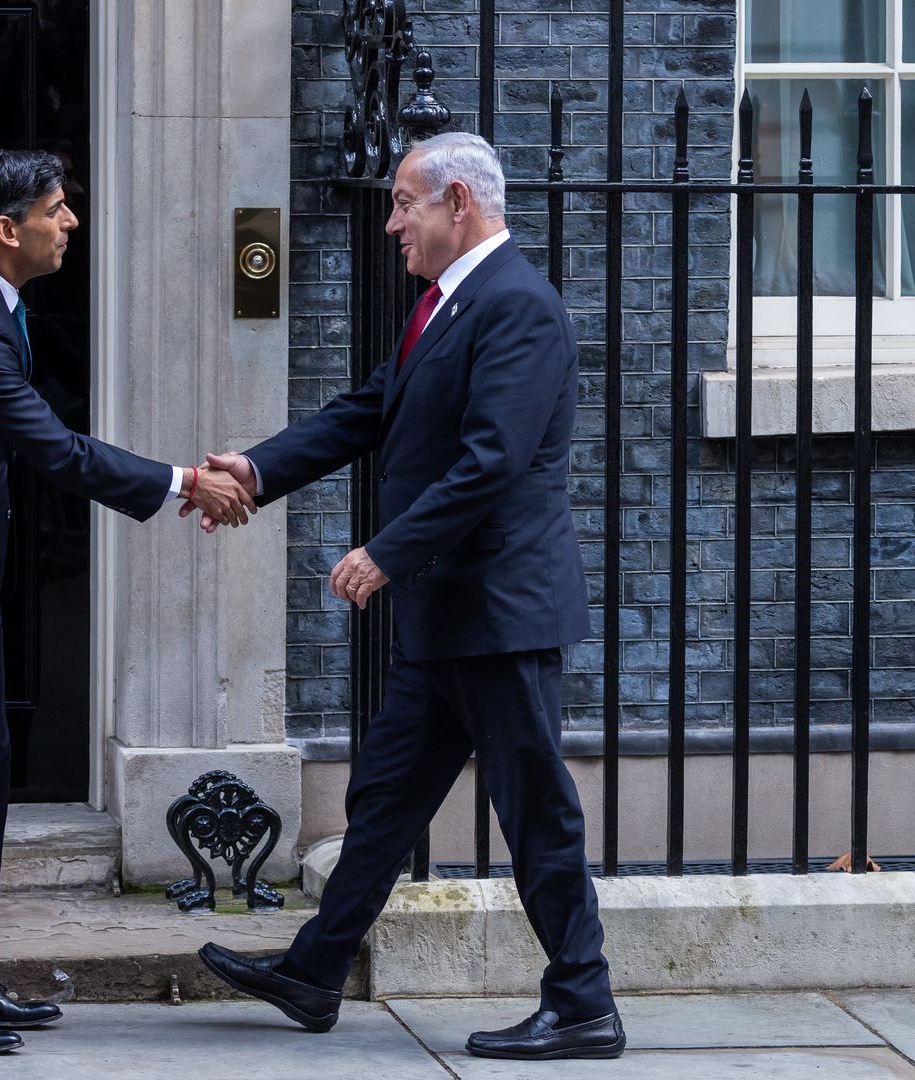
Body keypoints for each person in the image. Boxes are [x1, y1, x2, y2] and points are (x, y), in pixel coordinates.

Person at [190, 132, 624, 1062]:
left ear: (457, 202)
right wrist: (257, 468)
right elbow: (368, 409)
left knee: (535, 809)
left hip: (501, 613)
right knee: (385, 798)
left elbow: (492, 465)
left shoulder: (519, 308)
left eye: (403, 204)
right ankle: (315, 974)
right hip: (449, 617)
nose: (392, 223)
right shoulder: (447, 306)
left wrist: (384, 554)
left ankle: (583, 1001)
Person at [0, 148, 254, 1056]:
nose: (70, 222)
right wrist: (185, 480)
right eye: (57, 209)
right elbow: (53, 449)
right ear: (8, 229)